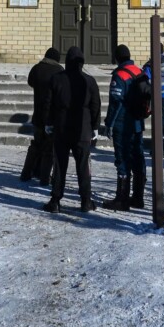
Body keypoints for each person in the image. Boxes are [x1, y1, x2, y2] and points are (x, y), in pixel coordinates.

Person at [42, 46, 101, 213]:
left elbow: (49, 103)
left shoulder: (57, 79)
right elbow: (95, 105)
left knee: (60, 165)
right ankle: (85, 200)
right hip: (82, 129)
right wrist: (95, 126)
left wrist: (49, 122)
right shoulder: (89, 80)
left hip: (61, 128)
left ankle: (55, 200)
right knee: (83, 165)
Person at [103, 44, 147, 211]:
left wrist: (109, 124)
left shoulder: (119, 75)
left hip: (123, 124)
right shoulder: (139, 72)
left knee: (122, 159)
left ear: (117, 58)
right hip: (137, 123)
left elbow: (116, 103)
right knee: (138, 157)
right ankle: (138, 197)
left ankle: (122, 199)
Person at [20, 47, 63, 186]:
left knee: (36, 145)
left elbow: (30, 82)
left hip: (38, 115)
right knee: (49, 148)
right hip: (52, 116)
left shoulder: (36, 68)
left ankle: (26, 173)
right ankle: (44, 178)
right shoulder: (59, 71)